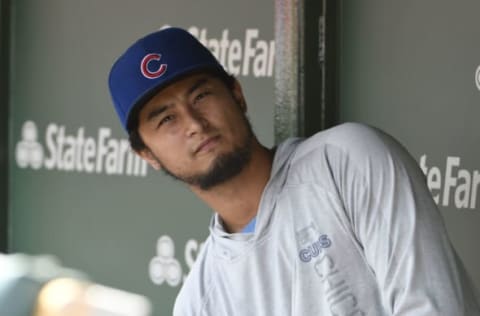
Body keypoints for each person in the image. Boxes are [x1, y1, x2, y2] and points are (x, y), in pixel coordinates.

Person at [108, 27, 480, 315]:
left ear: (236, 94)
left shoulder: (345, 161)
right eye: (167, 118)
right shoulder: (200, 303)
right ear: (147, 154)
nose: (193, 123)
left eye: (201, 95)